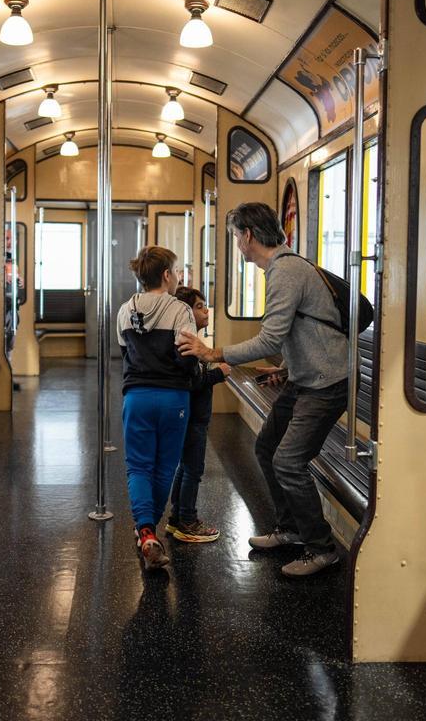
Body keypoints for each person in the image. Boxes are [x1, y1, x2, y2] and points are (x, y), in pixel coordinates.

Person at [179, 202, 349, 577]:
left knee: (288, 461)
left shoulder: (285, 272)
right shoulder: (284, 268)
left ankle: (322, 549)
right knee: (266, 446)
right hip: (304, 377)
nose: (237, 243)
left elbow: (271, 337)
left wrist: (214, 352)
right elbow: (303, 331)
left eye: (236, 236)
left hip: (324, 384)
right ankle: (290, 530)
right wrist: (287, 368)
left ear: (248, 236)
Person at [117, 246, 199, 571]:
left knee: (138, 467)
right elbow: (187, 356)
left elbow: (126, 354)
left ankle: (146, 531)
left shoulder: (125, 310)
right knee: (165, 468)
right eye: (176, 270)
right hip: (173, 398)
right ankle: (150, 527)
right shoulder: (181, 310)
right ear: (166, 274)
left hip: (136, 397)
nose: (178, 276)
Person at [166, 286, 230, 544]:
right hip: (192, 417)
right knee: (194, 469)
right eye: (200, 306)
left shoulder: (192, 341)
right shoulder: (188, 343)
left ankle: (176, 518)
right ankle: (188, 521)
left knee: (186, 467)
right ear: (186, 311)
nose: (206, 311)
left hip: (194, 416)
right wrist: (219, 373)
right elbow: (191, 382)